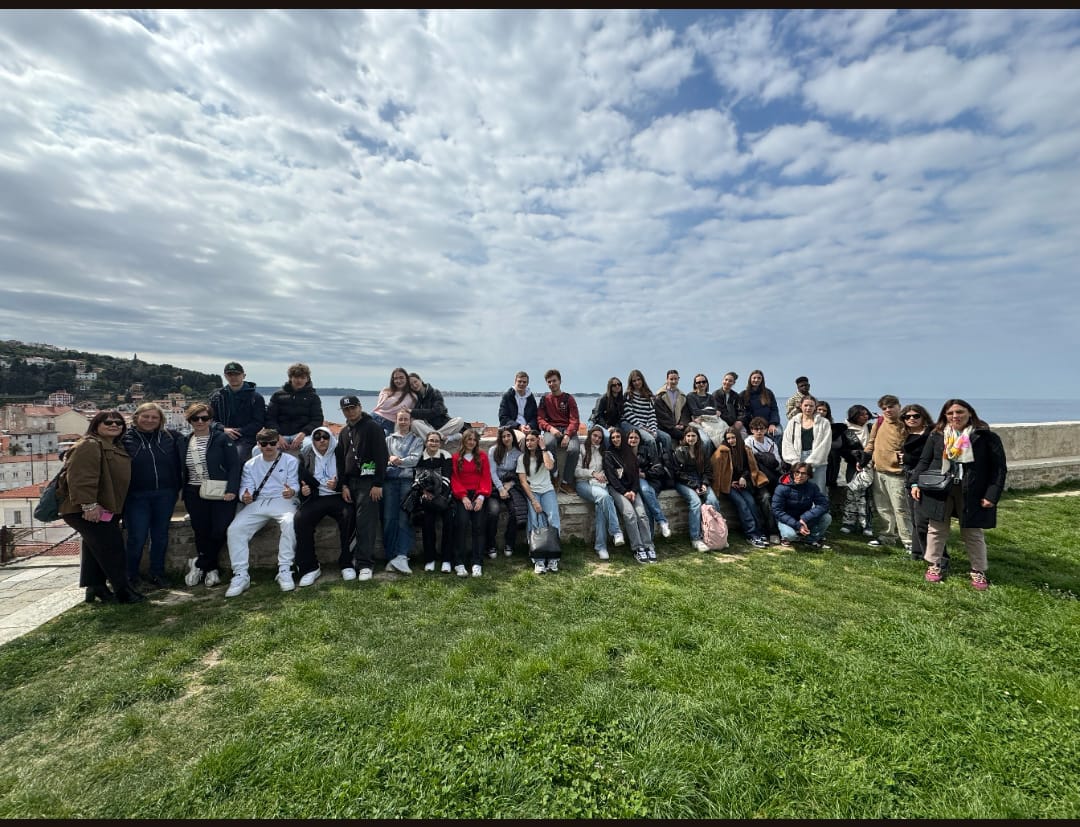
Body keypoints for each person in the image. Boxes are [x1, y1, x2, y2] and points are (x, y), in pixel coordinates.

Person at [912, 399, 1006, 590]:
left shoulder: (985, 437)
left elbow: (998, 469)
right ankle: (934, 565)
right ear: (944, 416)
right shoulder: (937, 435)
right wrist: (915, 482)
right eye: (950, 413)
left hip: (972, 490)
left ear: (970, 413)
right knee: (936, 529)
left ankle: (978, 570)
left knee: (972, 532)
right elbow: (925, 460)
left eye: (960, 412)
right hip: (941, 489)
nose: (955, 416)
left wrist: (992, 495)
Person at [59, 411, 144, 604]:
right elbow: (81, 478)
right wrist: (89, 505)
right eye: (108, 422)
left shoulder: (111, 445)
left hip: (104, 508)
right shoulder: (89, 445)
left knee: (94, 548)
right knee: (112, 549)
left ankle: (95, 587)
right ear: (96, 425)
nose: (114, 425)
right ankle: (123, 591)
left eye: (119, 423)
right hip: (86, 509)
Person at [224, 428, 300, 597]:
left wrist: (292, 492)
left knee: (289, 523)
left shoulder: (289, 461)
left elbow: (294, 483)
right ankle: (241, 574)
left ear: (277, 443)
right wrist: (245, 496)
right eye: (264, 444)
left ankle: (285, 569)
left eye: (272, 443)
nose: (268, 447)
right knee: (235, 529)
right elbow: (246, 486)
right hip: (258, 502)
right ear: (258, 445)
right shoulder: (250, 464)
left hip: (283, 500)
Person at [121, 401, 183, 589]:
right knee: (137, 537)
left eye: (154, 417)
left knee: (160, 536)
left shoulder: (170, 437)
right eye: (145, 416)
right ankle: (131, 576)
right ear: (136, 417)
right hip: (136, 496)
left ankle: (157, 574)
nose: (149, 420)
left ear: (160, 420)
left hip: (165, 493)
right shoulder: (124, 439)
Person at [180, 403, 241, 589]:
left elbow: (234, 466)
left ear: (210, 420)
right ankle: (212, 568)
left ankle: (199, 564)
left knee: (219, 529)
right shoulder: (184, 441)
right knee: (201, 530)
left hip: (220, 491)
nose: (200, 421)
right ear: (189, 421)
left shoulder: (222, 438)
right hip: (193, 491)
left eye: (204, 418)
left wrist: (232, 489)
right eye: (195, 418)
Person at [293, 425, 353, 588]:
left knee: (349, 516)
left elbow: (349, 474)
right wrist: (303, 490)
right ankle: (310, 567)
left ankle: (347, 563)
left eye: (325, 437)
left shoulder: (339, 452)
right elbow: (300, 478)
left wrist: (339, 485)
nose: (321, 441)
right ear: (313, 440)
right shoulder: (306, 454)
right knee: (301, 519)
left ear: (330, 439)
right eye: (317, 438)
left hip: (336, 496)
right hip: (316, 497)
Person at [865, 394, 913, 551]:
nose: (887, 410)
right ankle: (887, 537)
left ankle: (909, 541)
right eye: (884, 408)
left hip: (897, 473)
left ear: (899, 406)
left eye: (891, 406)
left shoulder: (906, 423)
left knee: (901, 508)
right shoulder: (878, 423)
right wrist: (865, 458)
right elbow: (871, 443)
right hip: (879, 471)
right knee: (882, 507)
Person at [603, 428, 657, 564]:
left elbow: (635, 476)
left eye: (618, 437)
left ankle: (648, 545)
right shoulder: (608, 454)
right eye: (613, 437)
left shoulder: (630, 453)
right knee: (630, 514)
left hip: (632, 489)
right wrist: (624, 492)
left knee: (642, 514)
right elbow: (612, 477)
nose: (616, 439)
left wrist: (633, 490)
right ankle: (637, 548)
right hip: (617, 489)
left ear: (622, 438)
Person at [710, 428, 770, 548]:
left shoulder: (744, 449)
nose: (731, 440)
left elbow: (750, 467)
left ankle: (759, 531)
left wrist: (743, 477)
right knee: (742, 505)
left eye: (733, 437)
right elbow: (716, 472)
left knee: (751, 503)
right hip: (729, 486)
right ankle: (751, 534)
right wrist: (730, 482)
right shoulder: (722, 451)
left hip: (742, 483)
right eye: (728, 438)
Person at [382, 410, 423, 576]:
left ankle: (402, 554)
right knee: (388, 518)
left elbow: (414, 459)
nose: (403, 421)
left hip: (407, 482)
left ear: (410, 421)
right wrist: (392, 460)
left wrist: (398, 461)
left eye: (406, 419)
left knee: (404, 518)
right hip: (389, 482)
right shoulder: (388, 440)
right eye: (401, 419)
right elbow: (383, 458)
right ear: (397, 421)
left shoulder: (417, 440)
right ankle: (391, 555)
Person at [574, 425, 623, 560]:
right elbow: (576, 472)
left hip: (600, 484)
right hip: (583, 483)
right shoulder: (582, 449)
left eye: (600, 438)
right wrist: (593, 473)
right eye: (595, 436)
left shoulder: (603, 452)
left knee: (601, 508)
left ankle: (601, 547)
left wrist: (604, 476)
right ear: (590, 435)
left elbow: (607, 470)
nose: (597, 439)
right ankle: (616, 531)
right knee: (605, 497)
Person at [672, 427, 723, 552]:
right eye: (688, 436)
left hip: (700, 481)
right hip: (684, 482)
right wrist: (694, 486)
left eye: (693, 436)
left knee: (713, 501)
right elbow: (678, 473)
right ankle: (695, 538)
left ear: (697, 438)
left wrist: (704, 483)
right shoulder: (679, 451)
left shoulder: (702, 451)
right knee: (696, 503)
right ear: (684, 437)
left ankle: (714, 533)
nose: (691, 438)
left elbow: (708, 471)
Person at [517, 431, 561, 574]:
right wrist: (534, 501)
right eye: (527, 440)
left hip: (547, 490)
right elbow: (523, 482)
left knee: (553, 519)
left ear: (538, 441)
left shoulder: (546, 454)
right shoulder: (522, 458)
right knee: (535, 521)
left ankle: (553, 556)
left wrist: (544, 448)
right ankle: (538, 559)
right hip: (532, 491)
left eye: (532, 440)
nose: (529, 443)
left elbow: (549, 466)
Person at [899, 403, 937, 563]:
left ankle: (931, 554)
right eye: (907, 417)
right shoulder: (905, 434)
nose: (912, 419)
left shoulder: (932, 434)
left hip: (926, 479)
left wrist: (907, 458)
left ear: (923, 417)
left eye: (916, 416)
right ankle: (917, 552)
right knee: (915, 517)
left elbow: (928, 458)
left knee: (924, 520)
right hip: (910, 477)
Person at [451, 428, 491, 578]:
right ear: (464, 440)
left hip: (479, 493)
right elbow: (455, 479)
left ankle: (477, 562)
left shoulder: (482, 457)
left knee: (479, 526)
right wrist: (463, 497)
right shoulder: (456, 458)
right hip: (462, 495)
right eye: (469, 439)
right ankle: (459, 562)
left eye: (474, 440)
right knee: (461, 523)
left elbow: (485, 477)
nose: (471, 442)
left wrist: (480, 497)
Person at [209, 361, 266, 463]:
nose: (233, 377)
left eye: (236, 374)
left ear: (243, 375)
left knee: (236, 456)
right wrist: (224, 429)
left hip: (246, 438)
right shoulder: (217, 397)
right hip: (222, 435)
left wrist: (239, 431)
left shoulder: (256, 398)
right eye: (230, 374)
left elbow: (258, 422)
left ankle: (236, 479)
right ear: (225, 376)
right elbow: (211, 420)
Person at [414, 432, 455, 572]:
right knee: (427, 524)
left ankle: (446, 560)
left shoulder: (445, 456)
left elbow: (447, 477)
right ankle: (429, 559)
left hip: (444, 496)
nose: (433, 443)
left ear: (440, 443)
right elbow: (417, 478)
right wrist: (424, 492)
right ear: (426, 442)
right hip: (426, 498)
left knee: (449, 523)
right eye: (431, 440)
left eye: (436, 441)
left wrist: (440, 496)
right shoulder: (420, 457)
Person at [536, 368, 580, 494]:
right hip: (552, 429)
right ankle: (554, 476)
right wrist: (550, 428)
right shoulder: (545, 399)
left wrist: (567, 434)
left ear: (560, 381)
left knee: (574, 449)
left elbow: (575, 420)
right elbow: (540, 419)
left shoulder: (568, 398)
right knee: (548, 443)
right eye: (549, 382)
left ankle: (566, 482)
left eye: (554, 381)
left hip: (567, 430)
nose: (552, 384)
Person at [771, 461, 833, 550]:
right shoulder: (782, 488)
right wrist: (798, 525)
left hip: (804, 519)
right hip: (786, 520)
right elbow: (777, 511)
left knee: (827, 518)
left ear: (808, 476)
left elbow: (824, 504)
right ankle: (789, 536)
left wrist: (805, 518)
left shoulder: (812, 487)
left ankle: (810, 539)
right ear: (792, 473)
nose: (800, 476)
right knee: (790, 535)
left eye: (803, 473)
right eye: (797, 472)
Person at [265, 362, 324, 454]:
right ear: (290, 378)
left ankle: (304, 468)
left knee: (310, 446)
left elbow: (317, 419)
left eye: (302, 378)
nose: (299, 380)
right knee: (257, 449)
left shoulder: (313, 397)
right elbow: (270, 418)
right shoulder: (278, 395)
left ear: (307, 379)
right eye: (296, 377)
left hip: (303, 435)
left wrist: (303, 433)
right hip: (280, 435)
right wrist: (276, 435)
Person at [485, 427, 526, 559]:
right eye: (503, 436)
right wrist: (500, 488)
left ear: (513, 437)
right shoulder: (493, 450)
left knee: (515, 512)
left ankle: (509, 543)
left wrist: (510, 485)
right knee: (493, 512)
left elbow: (518, 473)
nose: (506, 438)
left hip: (510, 486)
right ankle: (490, 545)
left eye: (509, 435)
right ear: (500, 438)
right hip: (494, 487)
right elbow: (492, 472)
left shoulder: (519, 454)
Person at [780, 395, 832, 493]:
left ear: (815, 407)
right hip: (798, 459)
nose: (808, 408)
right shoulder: (793, 422)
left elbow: (825, 444)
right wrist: (795, 461)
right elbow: (787, 442)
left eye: (811, 406)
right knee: (798, 491)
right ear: (801, 406)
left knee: (818, 490)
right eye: (806, 405)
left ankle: (819, 508)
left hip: (818, 461)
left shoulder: (824, 423)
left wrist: (811, 463)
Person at [837, 404, 875, 538]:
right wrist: (854, 455)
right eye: (861, 414)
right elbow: (842, 450)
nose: (865, 417)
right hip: (853, 465)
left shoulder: (871, 428)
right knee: (851, 494)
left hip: (870, 465)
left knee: (867, 496)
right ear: (854, 416)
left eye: (866, 414)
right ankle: (849, 523)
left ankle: (866, 524)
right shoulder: (846, 430)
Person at [744, 417, 783, 544]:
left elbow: (778, 463)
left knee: (780, 498)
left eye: (762, 429)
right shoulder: (748, 443)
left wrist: (765, 458)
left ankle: (784, 529)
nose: (759, 431)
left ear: (766, 430)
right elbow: (749, 463)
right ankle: (772, 532)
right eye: (756, 429)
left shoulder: (771, 443)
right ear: (751, 430)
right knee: (765, 498)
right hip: (758, 479)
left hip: (771, 476)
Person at [628, 427, 671, 539]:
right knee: (647, 506)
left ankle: (651, 537)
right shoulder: (624, 453)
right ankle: (659, 526)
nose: (633, 440)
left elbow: (658, 468)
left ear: (640, 439)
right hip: (635, 483)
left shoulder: (646, 450)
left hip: (651, 481)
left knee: (647, 501)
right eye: (631, 437)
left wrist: (645, 474)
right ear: (627, 439)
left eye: (636, 437)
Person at [408, 372, 466, 452]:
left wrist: (413, 411)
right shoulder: (415, 398)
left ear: (420, 380)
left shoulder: (435, 393)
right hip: (427, 427)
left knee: (459, 421)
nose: (414, 385)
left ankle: (434, 437)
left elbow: (436, 411)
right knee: (414, 424)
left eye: (415, 382)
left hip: (442, 425)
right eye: (411, 384)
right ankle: (441, 437)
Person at [621, 369, 662, 448]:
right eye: (634, 381)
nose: (637, 382)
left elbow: (652, 415)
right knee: (650, 440)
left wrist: (653, 430)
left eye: (639, 379)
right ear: (631, 383)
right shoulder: (628, 395)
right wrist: (642, 428)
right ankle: (655, 460)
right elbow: (629, 414)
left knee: (666, 438)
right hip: (630, 424)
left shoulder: (649, 396)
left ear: (642, 380)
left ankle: (668, 459)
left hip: (645, 426)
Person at [497, 370, 539, 446]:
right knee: (523, 438)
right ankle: (522, 458)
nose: (521, 384)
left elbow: (535, 416)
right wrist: (519, 426)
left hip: (528, 428)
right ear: (515, 381)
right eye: (519, 381)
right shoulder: (508, 396)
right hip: (512, 428)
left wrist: (530, 426)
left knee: (539, 439)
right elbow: (503, 418)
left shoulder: (530, 397)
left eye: (524, 382)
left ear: (527, 383)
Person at [371, 367, 416, 436]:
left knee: (387, 444)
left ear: (406, 379)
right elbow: (381, 406)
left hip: (392, 423)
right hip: (376, 417)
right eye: (396, 378)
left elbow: (410, 413)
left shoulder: (412, 396)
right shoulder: (386, 391)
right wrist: (385, 394)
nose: (398, 381)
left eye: (401, 378)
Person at [654, 369, 690, 450]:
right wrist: (673, 425)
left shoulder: (682, 396)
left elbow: (685, 412)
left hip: (678, 425)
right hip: (664, 426)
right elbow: (660, 414)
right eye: (671, 379)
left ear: (678, 379)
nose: (674, 381)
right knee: (685, 436)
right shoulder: (659, 395)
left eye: (676, 379)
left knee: (692, 434)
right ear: (667, 379)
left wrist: (682, 424)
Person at [740, 370, 781, 436]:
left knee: (778, 433)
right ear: (750, 379)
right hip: (751, 426)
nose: (756, 380)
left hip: (768, 424)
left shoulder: (768, 393)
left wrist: (773, 423)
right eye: (754, 378)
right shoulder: (743, 394)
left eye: (759, 378)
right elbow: (740, 411)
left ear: (762, 380)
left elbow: (774, 410)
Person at [587, 377, 625, 448]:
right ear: (610, 387)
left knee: (622, 436)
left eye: (619, 384)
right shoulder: (602, 399)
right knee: (608, 437)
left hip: (611, 424)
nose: (617, 386)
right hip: (596, 422)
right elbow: (598, 416)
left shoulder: (621, 399)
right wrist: (607, 427)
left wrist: (616, 428)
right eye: (614, 385)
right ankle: (607, 456)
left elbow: (619, 417)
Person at [686, 374, 717, 454]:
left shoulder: (711, 397)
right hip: (697, 425)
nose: (701, 384)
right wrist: (710, 411)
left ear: (707, 383)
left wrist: (702, 414)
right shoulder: (691, 396)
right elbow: (695, 412)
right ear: (695, 384)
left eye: (704, 382)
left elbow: (715, 412)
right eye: (698, 382)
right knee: (706, 441)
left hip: (711, 423)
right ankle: (704, 463)